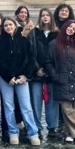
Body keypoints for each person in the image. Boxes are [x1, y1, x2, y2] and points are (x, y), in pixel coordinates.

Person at [0, 17, 40, 146]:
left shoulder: (23, 40)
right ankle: (13, 132)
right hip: (5, 78)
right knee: (9, 107)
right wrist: (8, 77)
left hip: (22, 78)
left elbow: (30, 59)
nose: (8, 27)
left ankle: (33, 133)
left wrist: (25, 75)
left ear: (15, 25)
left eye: (10, 24)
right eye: (6, 25)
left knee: (26, 106)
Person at [45, 19, 75, 144]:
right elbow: (48, 62)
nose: (71, 29)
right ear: (65, 27)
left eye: (74, 29)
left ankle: (69, 134)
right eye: (70, 27)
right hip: (61, 81)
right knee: (67, 109)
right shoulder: (54, 44)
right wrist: (55, 76)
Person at [28, 8, 60, 137]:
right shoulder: (34, 33)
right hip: (37, 73)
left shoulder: (57, 34)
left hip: (52, 73)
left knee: (52, 102)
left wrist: (50, 70)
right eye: (43, 15)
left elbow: (59, 54)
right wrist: (37, 69)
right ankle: (37, 126)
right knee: (36, 101)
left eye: (47, 15)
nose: (45, 17)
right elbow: (30, 52)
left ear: (51, 18)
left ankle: (52, 127)